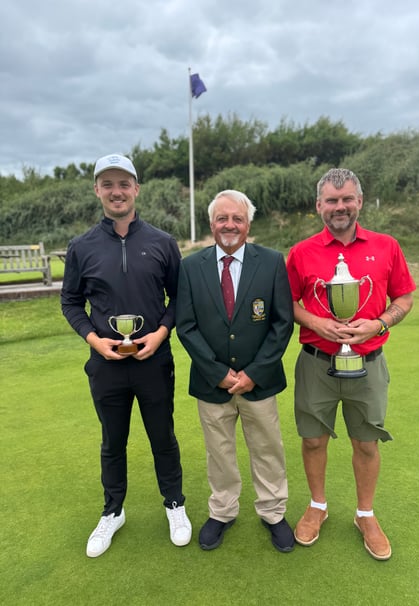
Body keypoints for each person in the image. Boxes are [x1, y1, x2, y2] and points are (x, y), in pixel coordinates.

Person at [61, 153, 192, 557]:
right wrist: (93, 340)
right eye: (108, 184)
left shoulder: (162, 242)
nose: (116, 192)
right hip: (106, 364)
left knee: (162, 438)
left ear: (136, 189)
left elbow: (179, 298)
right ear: (97, 189)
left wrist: (161, 333)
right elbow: (70, 302)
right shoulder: (81, 246)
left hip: (153, 361)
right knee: (112, 442)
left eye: (124, 184)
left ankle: (174, 503)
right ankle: (113, 511)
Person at [286, 168, 416, 561]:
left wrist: (377, 323)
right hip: (316, 363)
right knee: (313, 439)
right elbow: (289, 304)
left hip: (369, 361)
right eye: (331, 200)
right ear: (318, 206)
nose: (339, 207)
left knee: (366, 442)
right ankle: (318, 506)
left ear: (359, 201)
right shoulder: (301, 252)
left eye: (346, 199)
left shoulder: (387, 245)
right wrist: (317, 321)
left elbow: (405, 299)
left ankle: (365, 514)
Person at [176, 189, 295, 553]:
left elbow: (282, 323)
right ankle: (223, 511)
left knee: (268, 449)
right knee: (219, 451)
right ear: (211, 223)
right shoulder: (190, 266)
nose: (230, 225)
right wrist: (218, 373)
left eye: (237, 219)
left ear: (248, 224)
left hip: (259, 383)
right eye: (222, 218)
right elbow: (186, 325)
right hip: (213, 385)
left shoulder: (272, 261)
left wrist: (254, 372)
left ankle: (273, 512)